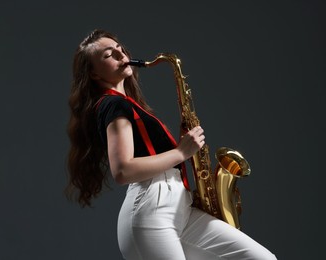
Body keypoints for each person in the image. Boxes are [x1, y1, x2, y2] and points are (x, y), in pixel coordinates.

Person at [66, 29, 276, 260]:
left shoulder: (127, 104)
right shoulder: (113, 106)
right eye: (108, 55)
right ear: (93, 74)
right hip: (151, 211)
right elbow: (123, 170)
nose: (120, 55)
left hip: (179, 207)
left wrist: (179, 147)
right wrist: (181, 151)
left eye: (120, 49)